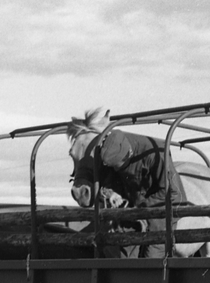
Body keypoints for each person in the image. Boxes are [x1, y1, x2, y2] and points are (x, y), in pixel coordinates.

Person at [68, 107, 188, 259]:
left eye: (120, 166)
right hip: (134, 208)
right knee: (113, 244)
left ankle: (153, 279)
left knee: (152, 255)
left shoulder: (156, 155)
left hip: (160, 208)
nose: (117, 169)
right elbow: (107, 182)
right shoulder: (109, 148)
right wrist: (110, 194)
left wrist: (139, 207)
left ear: (128, 155)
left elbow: (173, 193)